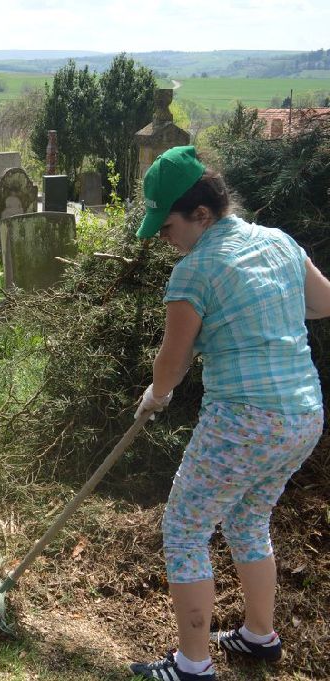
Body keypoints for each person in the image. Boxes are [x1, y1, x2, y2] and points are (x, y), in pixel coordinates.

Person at [129, 146, 330, 680]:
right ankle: (258, 637)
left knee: (185, 528)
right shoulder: (279, 242)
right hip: (303, 416)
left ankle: (193, 666)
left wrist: (157, 395)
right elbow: (325, 301)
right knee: (247, 517)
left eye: (167, 226)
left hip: (244, 421)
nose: (164, 239)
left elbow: (172, 363)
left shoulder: (196, 272)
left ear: (201, 213)